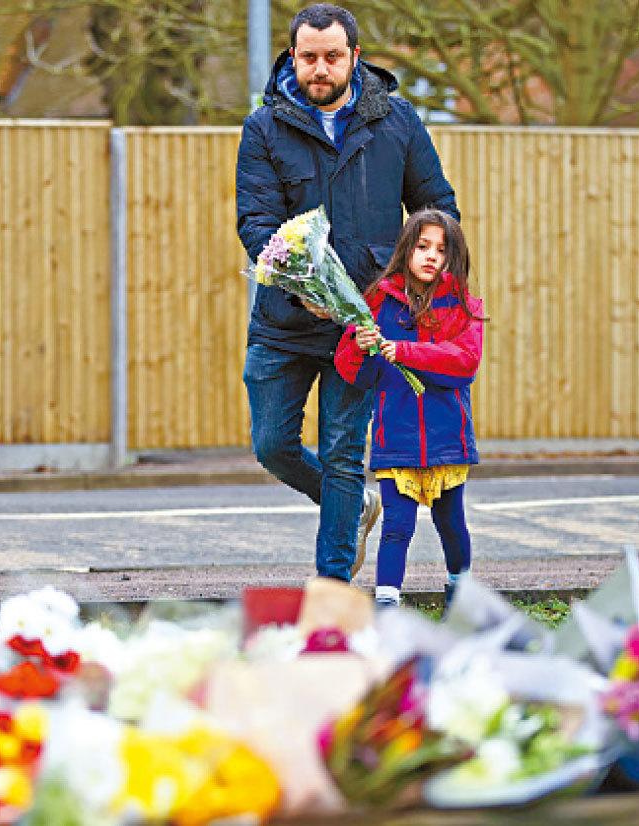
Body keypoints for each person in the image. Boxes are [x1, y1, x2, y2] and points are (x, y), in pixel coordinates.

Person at [236, 3, 459, 582]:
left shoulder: (397, 122)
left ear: (354, 57)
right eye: (309, 57)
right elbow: (256, 223)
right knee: (272, 446)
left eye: (332, 57)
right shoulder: (263, 128)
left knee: (341, 452)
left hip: (365, 323)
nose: (320, 69)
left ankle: (331, 584)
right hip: (284, 322)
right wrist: (298, 282)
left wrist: (415, 279)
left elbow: (437, 207)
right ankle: (357, 505)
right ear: (293, 57)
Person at [333, 209, 485, 610]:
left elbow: (464, 363)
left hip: (446, 438)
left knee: (451, 524)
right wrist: (358, 346)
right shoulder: (379, 300)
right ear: (406, 250)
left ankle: (461, 595)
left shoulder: (463, 305)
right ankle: (387, 607)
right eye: (423, 246)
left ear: (453, 257)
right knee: (396, 529)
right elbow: (353, 372)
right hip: (396, 438)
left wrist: (405, 352)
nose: (432, 256)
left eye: (442, 249)